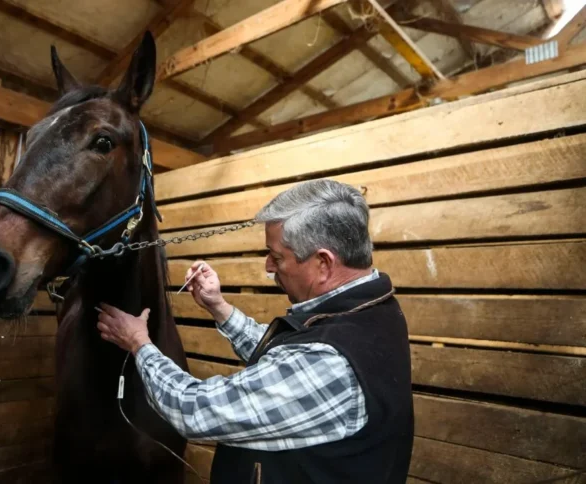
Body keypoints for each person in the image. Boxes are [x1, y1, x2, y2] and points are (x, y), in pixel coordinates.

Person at [96, 179, 414, 483]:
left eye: (277, 257)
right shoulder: (371, 307)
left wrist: (139, 342)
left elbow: (191, 410)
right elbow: (285, 360)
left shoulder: (329, 361)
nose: (268, 267)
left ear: (324, 264)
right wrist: (219, 307)